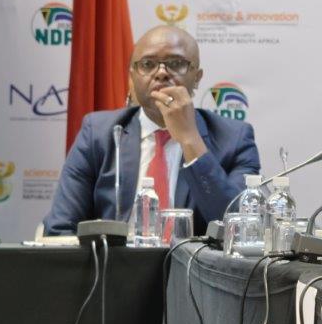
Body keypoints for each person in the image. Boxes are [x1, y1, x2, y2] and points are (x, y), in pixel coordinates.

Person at [43, 25, 260, 235]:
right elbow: (60, 228)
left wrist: (190, 139)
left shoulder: (234, 139)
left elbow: (239, 230)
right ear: (132, 77)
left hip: (193, 270)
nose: (161, 73)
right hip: (116, 268)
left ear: (197, 77)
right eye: (147, 64)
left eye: (176, 63)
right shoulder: (98, 134)